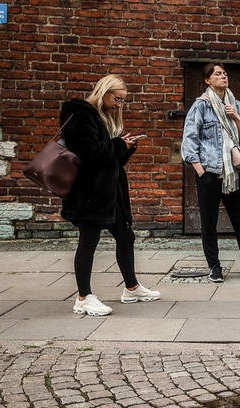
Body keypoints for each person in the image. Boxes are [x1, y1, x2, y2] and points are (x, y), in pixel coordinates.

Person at [60, 74, 160, 316]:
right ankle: (83, 297)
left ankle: (132, 288)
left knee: (126, 237)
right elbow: (89, 153)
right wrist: (117, 145)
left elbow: (111, 160)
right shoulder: (80, 115)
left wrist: (126, 147)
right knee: (88, 242)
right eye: (117, 99)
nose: (119, 105)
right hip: (90, 192)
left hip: (110, 191)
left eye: (123, 101)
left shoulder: (103, 118)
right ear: (104, 92)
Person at [181, 63, 240, 283]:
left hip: (232, 171)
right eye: (217, 74)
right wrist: (201, 173)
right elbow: (189, 142)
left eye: (224, 73)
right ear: (207, 80)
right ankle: (214, 267)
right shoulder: (201, 107)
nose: (223, 76)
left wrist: (235, 117)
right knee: (209, 223)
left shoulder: (237, 105)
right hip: (210, 172)